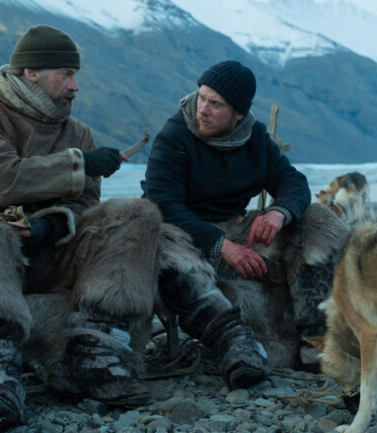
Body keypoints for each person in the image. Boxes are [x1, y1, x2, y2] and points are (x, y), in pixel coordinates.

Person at [0, 27, 269, 433]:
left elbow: (83, 208)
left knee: (139, 214)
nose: (75, 86)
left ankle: (93, 356)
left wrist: (49, 225)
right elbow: (0, 181)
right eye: (65, 74)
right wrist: (80, 165)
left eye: (76, 75)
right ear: (30, 73)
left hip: (44, 253)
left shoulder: (77, 131)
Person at [144, 60, 349, 370]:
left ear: (238, 113)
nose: (202, 109)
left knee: (318, 219)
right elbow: (163, 205)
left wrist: (279, 213)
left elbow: (293, 182)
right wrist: (221, 244)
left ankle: (317, 337)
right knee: (167, 238)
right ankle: (236, 343)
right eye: (201, 97)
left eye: (215, 104)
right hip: (182, 237)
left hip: (237, 228)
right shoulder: (174, 136)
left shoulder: (253, 137)